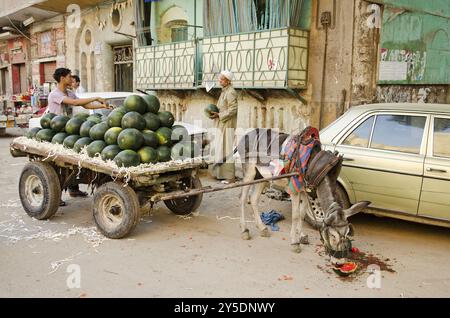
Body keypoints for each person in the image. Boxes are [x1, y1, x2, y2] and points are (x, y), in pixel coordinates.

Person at [47, 67, 110, 203]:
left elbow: (85, 106)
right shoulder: (55, 94)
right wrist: (96, 97)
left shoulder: (69, 92)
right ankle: (55, 196)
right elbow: (75, 103)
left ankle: (73, 189)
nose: (72, 79)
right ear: (62, 78)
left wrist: (102, 106)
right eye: (69, 76)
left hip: (68, 131)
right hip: (57, 133)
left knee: (74, 160)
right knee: (59, 166)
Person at [209, 70, 238, 183]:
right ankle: (220, 174)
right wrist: (216, 114)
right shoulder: (224, 91)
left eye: (222, 79)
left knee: (226, 149)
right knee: (220, 148)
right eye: (219, 79)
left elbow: (233, 110)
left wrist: (219, 115)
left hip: (227, 123)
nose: (219, 81)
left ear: (228, 81)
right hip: (222, 123)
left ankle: (230, 177)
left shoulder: (231, 92)